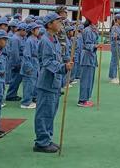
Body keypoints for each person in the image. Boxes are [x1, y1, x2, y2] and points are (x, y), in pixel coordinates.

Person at [33, 12, 73, 154]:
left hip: (54, 82)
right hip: (46, 82)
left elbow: (59, 57)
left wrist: (66, 62)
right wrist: (63, 67)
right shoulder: (45, 41)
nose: (60, 23)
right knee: (44, 113)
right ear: (49, 24)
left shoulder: (54, 39)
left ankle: (47, 139)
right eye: (57, 21)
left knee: (50, 113)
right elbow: (47, 62)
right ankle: (41, 142)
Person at [78, 20, 100, 107]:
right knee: (86, 79)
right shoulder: (87, 30)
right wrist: (95, 46)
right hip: (87, 56)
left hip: (91, 56)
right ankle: (82, 100)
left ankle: (86, 98)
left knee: (90, 79)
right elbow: (87, 44)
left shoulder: (93, 30)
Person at [20, 23, 40, 109]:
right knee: (29, 84)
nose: (38, 31)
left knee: (33, 84)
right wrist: (28, 67)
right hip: (30, 63)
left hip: (35, 63)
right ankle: (26, 102)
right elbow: (26, 55)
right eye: (37, 29)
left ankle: (32, 99)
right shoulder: (29, 40)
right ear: (32, 31)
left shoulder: (35, 39)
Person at [5, 22, 26, 101]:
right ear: (21, 30)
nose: (26, 33)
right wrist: (17, 64)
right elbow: (14, 53)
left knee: (17, 79)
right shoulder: (15, 39)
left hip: (20, 61)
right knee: (15, 80)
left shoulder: (19, 38)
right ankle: (10, 95)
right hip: (16, 62)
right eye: (25, 31)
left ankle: (12, 94)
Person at [109, 14, 120, 83]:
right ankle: (112, 77)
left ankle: (114, 76)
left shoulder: (119, 27)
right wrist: (115, 36)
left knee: (116, 61)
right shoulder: (114, 27)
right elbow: (113, 36)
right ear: (117, 20)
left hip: (119, 45)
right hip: (116, 45)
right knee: (114, 61)